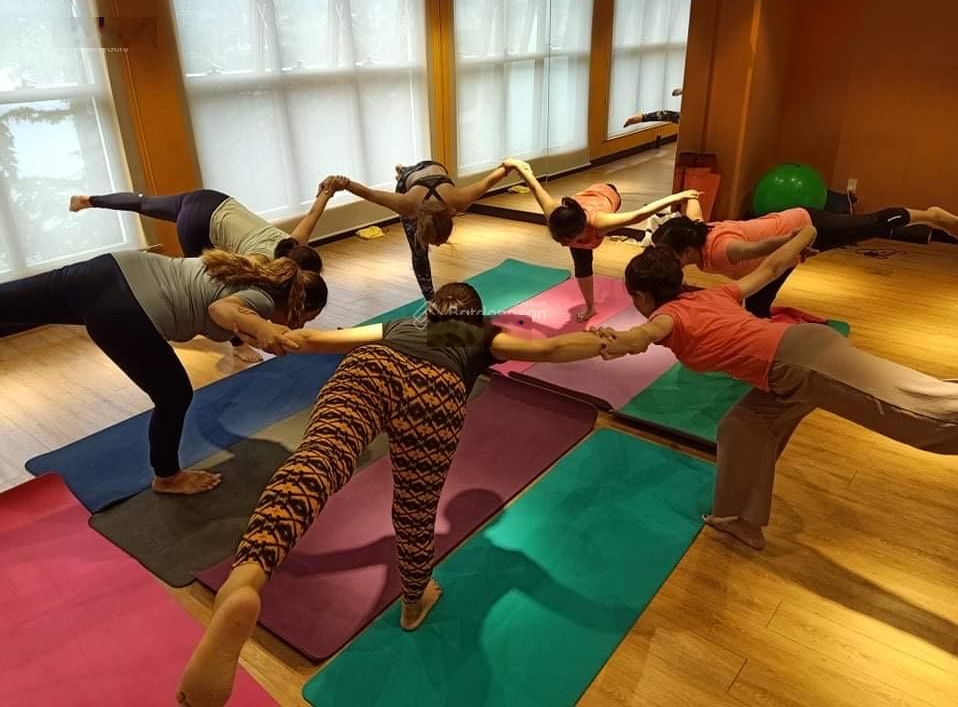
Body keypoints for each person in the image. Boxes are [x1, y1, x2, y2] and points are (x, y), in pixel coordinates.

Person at [175, 282, 609, 707]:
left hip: (371, 366)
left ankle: (246, 577)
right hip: (436, 390)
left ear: (432, 312)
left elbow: (311, 340)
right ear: (473, 317)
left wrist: (269, 332)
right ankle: (415, 601)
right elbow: (552, 349)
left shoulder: (404, 325)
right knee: (415, 509)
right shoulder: (482, 335)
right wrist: (612, 343)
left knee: (319, 458)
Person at [593, 228, 958, 551]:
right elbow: (770, 268)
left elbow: (644, 336)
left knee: (911, 409)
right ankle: (739, 520)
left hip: (798, 362)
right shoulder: (712, 295)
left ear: (642, 297)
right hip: (786, 367)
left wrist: (618, 340)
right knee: (742, 428)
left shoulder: (668, 317)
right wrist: (803, 235)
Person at [0, 249, 327, 495]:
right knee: (174, 395)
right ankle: (167, 476)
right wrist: (261, 327)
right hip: (125, 311)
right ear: (297, 305)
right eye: (306, 318)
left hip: (107, 270)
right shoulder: (262, 302)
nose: (301, 325)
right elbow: (222, 309)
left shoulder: (255, 271)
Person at [69, 179, 336, 361]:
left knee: (144, 203)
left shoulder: (293, 244)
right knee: (209, 284)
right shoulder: (260, 262)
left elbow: (312, 216)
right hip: (198, 226)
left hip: (210, 200)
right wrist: (255, 328)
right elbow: (228, 292)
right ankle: (237, 345)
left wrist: (326, 192)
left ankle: (88, 200)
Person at [654, 195, 958, 317]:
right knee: (757, 307)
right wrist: (687, 196)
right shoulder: (696, 230)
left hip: (809, 226)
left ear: (687, 250)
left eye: (669, 254)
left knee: (873, 224)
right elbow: (694, 212)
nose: (666, 260)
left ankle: (930, 215)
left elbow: (758, 248)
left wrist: (796, 241)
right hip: (782, 254)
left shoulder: (722, 250)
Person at [504, 157, 698, 321]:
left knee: (586, 249)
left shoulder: (600, 223)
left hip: (607, 193)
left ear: (579, 231)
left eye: (566, 240)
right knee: (582, 264)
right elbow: (534, 185)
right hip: (580, 203)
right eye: (558, 240)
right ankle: (590, 307)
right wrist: (517, 165)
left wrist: (677, 197)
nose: (562, 244)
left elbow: (639, 215)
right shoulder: (554, 215)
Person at [331, 160, 512, 300]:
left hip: (434, 169)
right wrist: (344, 183)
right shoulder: (407, 204)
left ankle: (405, 170)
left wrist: (509, 166)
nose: (437, 246)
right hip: (411, 182)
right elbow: (370, 194)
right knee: (418, 251)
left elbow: (488, 182)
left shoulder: (458, 201)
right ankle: (429, 299)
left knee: (421, 242)